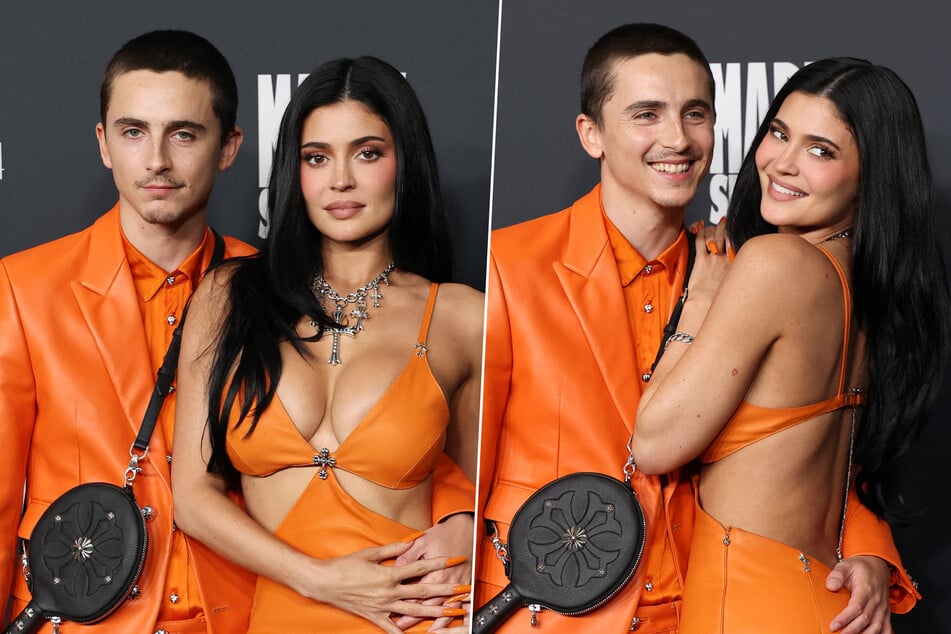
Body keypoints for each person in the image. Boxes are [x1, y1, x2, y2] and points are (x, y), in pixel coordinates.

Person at [0, 32, 476, 634]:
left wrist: (464, 517)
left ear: (229, 148)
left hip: (238, 608)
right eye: (133, 132)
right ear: (104, 143)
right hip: (88, 616)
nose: (156, 161)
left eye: (183, 133)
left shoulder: (266, 286)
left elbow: (418, 425)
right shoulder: (24, 288)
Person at [476, 24, 919, 634]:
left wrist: (868, 549)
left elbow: (822, 442)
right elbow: (459, 472)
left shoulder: (749, 268)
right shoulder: (510, 265)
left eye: (695, 114)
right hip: (552, 616)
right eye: (646, 114)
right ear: (592, 134)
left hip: (712, 607)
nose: (677, 139)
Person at [632, 57, 949, 633]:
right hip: (818, 598)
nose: (782, 162)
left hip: (750, 605)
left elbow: (653, 445)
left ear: (870, 175)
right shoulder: (866, 287)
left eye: (821, 151)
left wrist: (702, 294)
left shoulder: (774, 264)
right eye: (779, 133)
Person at [171, 56, 483, 634]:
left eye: (368, 153)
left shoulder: (464, 317)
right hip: (279, 612)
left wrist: (470, 524)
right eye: (318, 157)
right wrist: (319, 578)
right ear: (296, 171)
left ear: (403, 162)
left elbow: (503, 482)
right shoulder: (228, 296)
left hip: (414, 620)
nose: (341, 179)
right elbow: (191, 497)